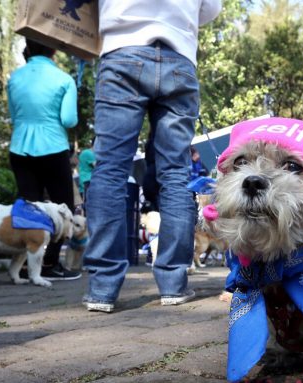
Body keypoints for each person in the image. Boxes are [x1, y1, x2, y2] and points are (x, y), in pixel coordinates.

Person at [83, 1, 223, 313]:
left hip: (122, 50)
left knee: (110, 170)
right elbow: (211, 10)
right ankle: (174, 283)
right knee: (175, 173)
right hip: (179, 57)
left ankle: (102, 288)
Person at [7, 38, 80, 281]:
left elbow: (13, 116)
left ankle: (28, 265)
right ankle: (49, 264)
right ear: (54, 49)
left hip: (20, 147)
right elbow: (69, 120)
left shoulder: (14, 78)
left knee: (29, 207)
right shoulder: (64, 79)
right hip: (53, 145)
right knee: (62, 207)